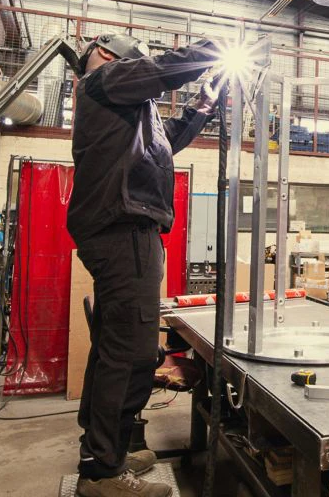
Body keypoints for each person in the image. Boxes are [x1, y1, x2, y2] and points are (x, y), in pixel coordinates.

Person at [67, 33, 221, 497]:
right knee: (131, 352)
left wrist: (200, 108)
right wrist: (213, 49)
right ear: (112, 56)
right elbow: (161, 70)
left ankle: (101, 449)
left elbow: (165, 143)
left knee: (113, 345)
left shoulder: (129, 112)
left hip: (129, 231)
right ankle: (103, 474)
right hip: (123, 229)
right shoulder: (103, 79)